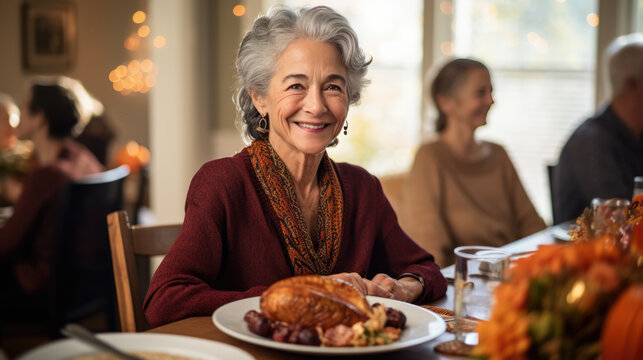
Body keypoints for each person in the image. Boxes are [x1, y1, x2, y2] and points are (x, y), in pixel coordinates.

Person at [144, 5, 447, 327]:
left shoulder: (362, 187)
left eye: (333, 86)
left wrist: (403, 288)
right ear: (260, 97)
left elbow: (427, 271)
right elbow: (164, 301)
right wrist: (303, 293)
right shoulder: (222, 182)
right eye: (296, 86)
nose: (316, 106)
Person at [401, 58, 546, 267]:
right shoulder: (430, 158)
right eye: (480, 93)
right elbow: (428, 242)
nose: (491, 100)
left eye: (491, 92)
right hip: (465, 282)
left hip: (513, 273)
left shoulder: (498, 154)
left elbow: (533, 225)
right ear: (445, 102)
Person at [0, 77, 103, 322]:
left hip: (44, 288)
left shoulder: (46, 175)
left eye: (25, 107)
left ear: (40, 118)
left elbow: (5, 245)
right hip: (85, 283)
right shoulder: (83, 158)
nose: (20, 114)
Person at [553, 33, 643, 224]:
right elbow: (622, 218)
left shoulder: (636, 135)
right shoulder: (591, 142)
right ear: (631, 85)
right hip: (586, 251)